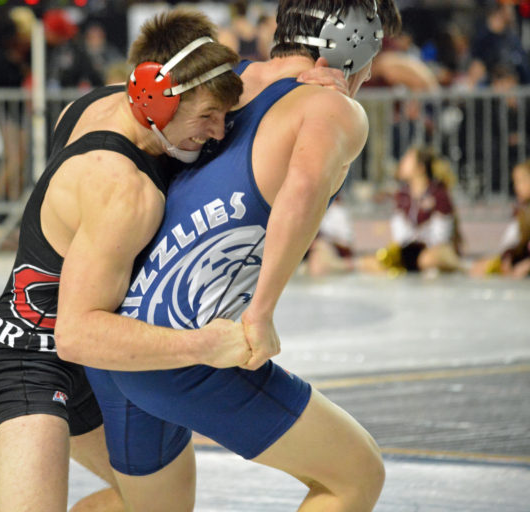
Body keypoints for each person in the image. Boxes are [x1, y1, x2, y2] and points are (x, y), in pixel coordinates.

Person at [0, 8, 347, 511]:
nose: (217, 132)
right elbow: (76, 334)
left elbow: (211, 87)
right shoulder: (124, 190)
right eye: (208, 117)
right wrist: (202, 345)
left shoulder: (90, 107)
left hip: (85, 358)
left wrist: (293, 78)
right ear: (157, 99)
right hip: (29, 358)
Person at [84, 1, 402, 511]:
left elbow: (109, 117)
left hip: (118, 340)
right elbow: (303, 190)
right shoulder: (332, 109)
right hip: (185, 351)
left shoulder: (225, 78)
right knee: (356, 474)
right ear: (357, 42)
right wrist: (261, 312)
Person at [359, 145, 463, 275]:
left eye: (407, 159)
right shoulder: (402, 195)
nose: (402, 162)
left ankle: (457, 267)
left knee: (430, 259)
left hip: (432, 250)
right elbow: (399, 235)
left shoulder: (438, 193)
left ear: (420, 168)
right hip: (408, 251)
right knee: (368, 262)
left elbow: (441, 234)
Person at [470, 160, 530, 279]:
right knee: (478, 269)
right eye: (515, 182)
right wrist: (506, 258)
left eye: (521, 181)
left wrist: (527, 265)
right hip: (521, 258)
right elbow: (512, 241)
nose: (516, 187)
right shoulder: (522, 209)